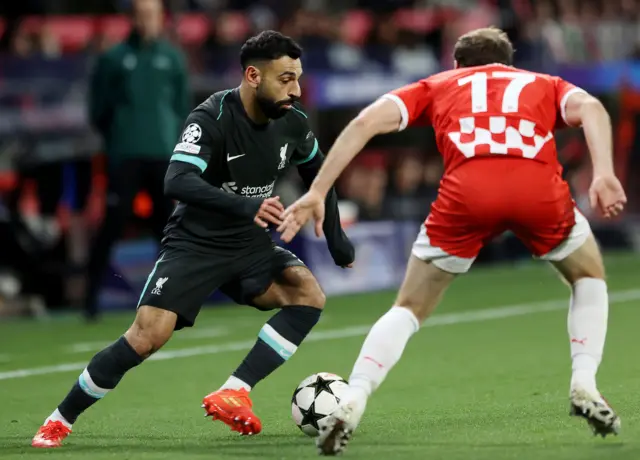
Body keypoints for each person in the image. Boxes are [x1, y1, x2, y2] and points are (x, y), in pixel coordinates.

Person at [278, 27, 626, 455]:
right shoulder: (543, 83)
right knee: (588, 276)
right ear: (508, 64)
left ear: (457, 65)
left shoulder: (438, 83)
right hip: (537, 189)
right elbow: (591, 107)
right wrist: (605, 172)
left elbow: (364, 122)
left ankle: (354, 397)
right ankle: (584, 382)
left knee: (408, 307)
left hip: (467, 193)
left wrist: (317, 192)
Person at [31, 30, 354, 448]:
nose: (295, 89)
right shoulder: (212, 117)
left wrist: (336, 237)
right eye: (285, 79)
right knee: (147, 337)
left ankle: (235, 390)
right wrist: (244, 207)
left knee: (308, 295)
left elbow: (320, 178)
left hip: (247, 244)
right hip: (195, 244)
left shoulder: (292, 123)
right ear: (253, 76)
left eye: (297, 78)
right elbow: (177, 181)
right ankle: (60, 418)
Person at [84, 0, 190, 321]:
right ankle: (90, 300)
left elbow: (181, 106)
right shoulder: (113, 59)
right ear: (132, 18)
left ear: (161, 19)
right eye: (142, 15)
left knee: (168, 227)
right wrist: (120, 136)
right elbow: (98, 110)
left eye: (153, 16)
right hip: (126, 154)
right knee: (113, 224)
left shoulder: (172, 59)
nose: (147, 22)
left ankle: (168, 300)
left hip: (162, 154)